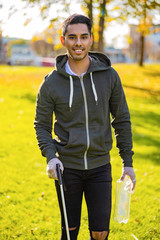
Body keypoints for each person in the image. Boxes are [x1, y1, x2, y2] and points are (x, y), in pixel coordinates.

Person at [34, 14, 136, 240]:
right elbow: (41, 125)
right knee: (69, 233)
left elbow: (121, 120)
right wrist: (51, 157)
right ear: (63, 41)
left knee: (100, 233)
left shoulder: (109, 76)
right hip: (66, 168)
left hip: (100, 166)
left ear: (91, 39)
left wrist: (127, 162)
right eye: (72, 37)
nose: (78, 43)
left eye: (83, 37)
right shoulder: (50, 82)